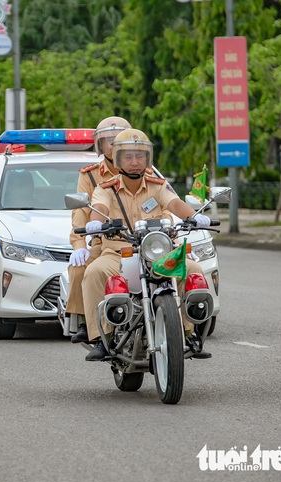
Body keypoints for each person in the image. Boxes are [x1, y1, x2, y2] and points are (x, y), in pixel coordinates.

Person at [81, 128, 212, 361]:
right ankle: (102, 338)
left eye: (139, 156)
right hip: (119, 252)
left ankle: (190, 332)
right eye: (128, 156)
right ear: (118, 158)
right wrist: (95, 223)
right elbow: (99, 208)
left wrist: (194, 216)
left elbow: (175, 203)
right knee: (93, 272)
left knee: (194, 269)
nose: (134, 162)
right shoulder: (106, 188)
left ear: (147, 158)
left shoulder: (157, 185)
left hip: (158, 251)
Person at [67, 116, 132, 344]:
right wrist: (79, 244)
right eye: (109, 141)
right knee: (82, 268)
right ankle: (88, 323)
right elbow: (81, 213)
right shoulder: (90, 175)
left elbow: (165, 204)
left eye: (119, 140)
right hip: (104, 241)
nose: (114, 145)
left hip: (142, 240)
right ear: (100, 145)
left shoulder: (144, 169)